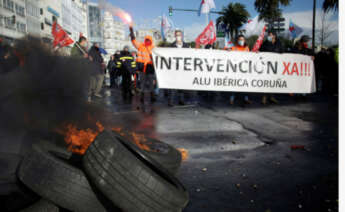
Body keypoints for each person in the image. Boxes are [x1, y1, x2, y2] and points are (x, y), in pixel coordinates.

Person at [129, 26, 156, 104]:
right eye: (146, 40)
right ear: (145, 40)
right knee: (143, 84)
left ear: (151, 41)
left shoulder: (153, 48)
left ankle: (152, 96)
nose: (147, 41)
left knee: (151, 84)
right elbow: (133, 41)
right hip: (142, 68)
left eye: (148, 40)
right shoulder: (141, 46)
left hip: (150, 68)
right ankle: (142, 97)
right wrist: (131, 32)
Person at [259, 31, 284, 105]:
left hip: (276, 66)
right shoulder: (266, 43)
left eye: (270, 35)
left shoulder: (279, 44)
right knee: (266, 81)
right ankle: (264, 97)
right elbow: (261, 50)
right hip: (266, 66)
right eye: (268, 35)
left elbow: (282, 52)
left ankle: (272, 97)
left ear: (274, 36)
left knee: (273, 81)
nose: (269, 36)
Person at [167, 29, 190, 106]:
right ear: (175, 36)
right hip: (174, 68)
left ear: (182, 36)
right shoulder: (171, 46)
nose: (178, 37)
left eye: (179, 35)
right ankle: (171, 101)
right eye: (177, 35)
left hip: (183, 68)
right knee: (173, 85)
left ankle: (181, 100)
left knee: (182, 85)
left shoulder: (186, 46)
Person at [228, 35, 252, 105]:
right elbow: (226, 51)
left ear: (244, 41)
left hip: (244, 70)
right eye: (240, 40)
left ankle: (246, 99)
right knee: (234, 85)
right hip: (236, 70)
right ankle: (232, 99)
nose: (241, 41)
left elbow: (250, 57)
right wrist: (228, 50)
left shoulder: (247, 48)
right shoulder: (234, 48)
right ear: (238, 41)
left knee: (245, 85)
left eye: (242, 40)